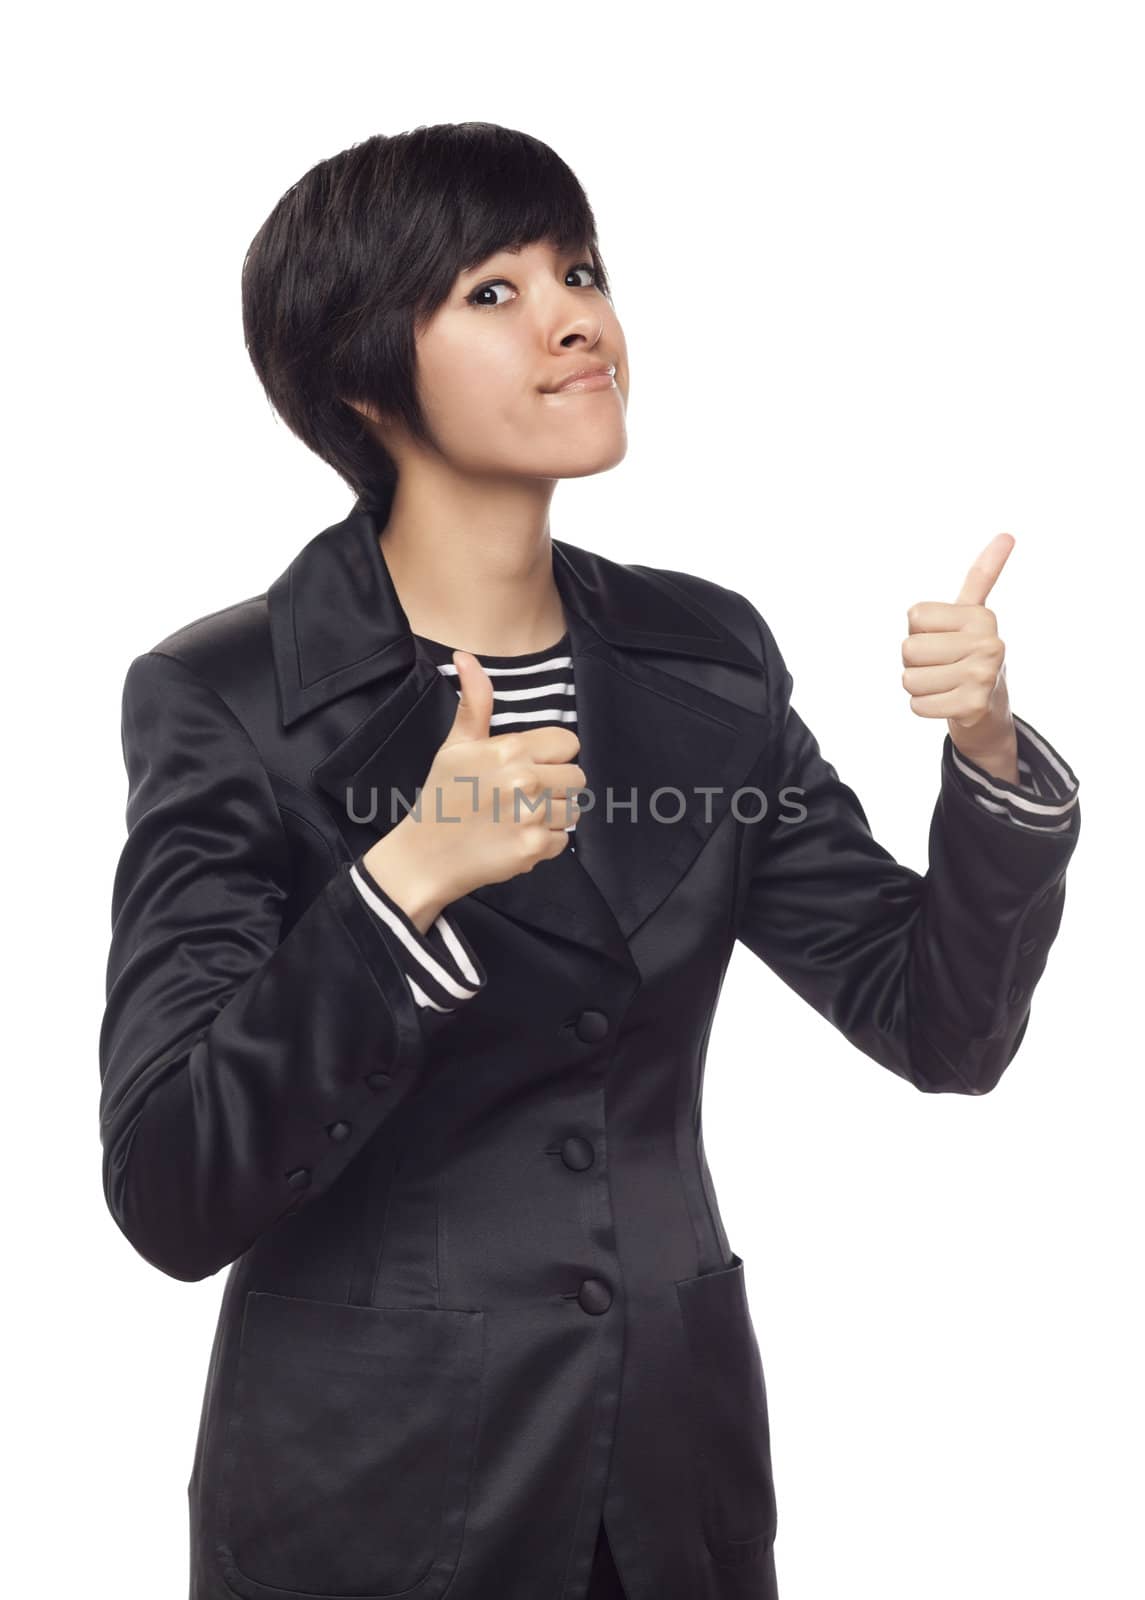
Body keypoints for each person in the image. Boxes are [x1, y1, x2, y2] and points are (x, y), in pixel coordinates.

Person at [99, 122, 1081, 1600]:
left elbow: (938, 1026)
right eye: (488, 293)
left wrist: (990, 759)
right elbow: (170, 1189)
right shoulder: (230, 696)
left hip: (673, 1493)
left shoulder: (707, 657)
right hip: (367, 1503)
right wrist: (405, 879)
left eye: (579, 269)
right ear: (363, 379)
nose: (573, 318)